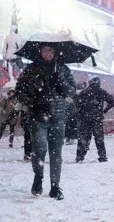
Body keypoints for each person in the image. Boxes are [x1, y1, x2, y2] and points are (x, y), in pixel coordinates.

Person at [15, 44, 76, 200]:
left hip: (58, 117)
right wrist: (32, 99)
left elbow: (71, 91)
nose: (47, 53)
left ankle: (55, 187)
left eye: (50, 50)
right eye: (44, 50)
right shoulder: (31, 69)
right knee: (39, 150)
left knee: (56, 154)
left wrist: (60, 80)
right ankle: (38, 177)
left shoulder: (63, 69)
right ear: (40, 52)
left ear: (54, 52)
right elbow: (19, 91)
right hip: (38, 117)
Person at [75, 77, 114, 163]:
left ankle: (80, 156)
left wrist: (82, 112)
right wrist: (104, 110)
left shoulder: (84, 91)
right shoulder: (101, 91)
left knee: (84, 138)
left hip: (85, 118)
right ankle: (102, 156)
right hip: (97, 118)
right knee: (99, 138)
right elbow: (111, 102)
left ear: (90, 82)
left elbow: (77, 103)